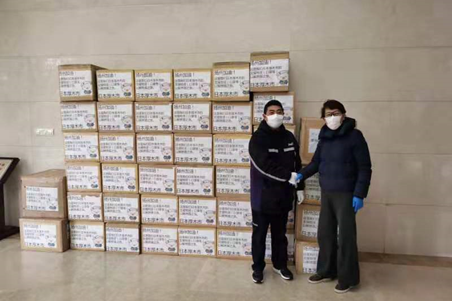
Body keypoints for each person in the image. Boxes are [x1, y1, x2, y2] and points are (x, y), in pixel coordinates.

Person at [297, 99, 372, 294]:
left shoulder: (355, 136)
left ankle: (348, 278)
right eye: (328, 114)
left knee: (346, 237)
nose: (332, 117)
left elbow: (365, 167)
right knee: (325, 233)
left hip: (346, 194)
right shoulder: (325, 138)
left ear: (344, 114)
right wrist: (301, 174)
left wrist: (359, 194)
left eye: (336, 113)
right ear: (323, 117)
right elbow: (315, 163)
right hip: (327, 192)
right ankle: (326, 270)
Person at [248, 100, 304, 284]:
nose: (276, 115)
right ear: (264, 116)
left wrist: (299, 187)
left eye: (279, 111)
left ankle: (280, 265)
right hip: (262, 198)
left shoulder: (289, 137)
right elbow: (263, 166)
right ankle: (257, 268)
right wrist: (288, 176)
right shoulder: (257, 139)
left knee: (280, 235)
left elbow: (297, 162)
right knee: (259, 236)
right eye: (271, 112)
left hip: (283, 196)